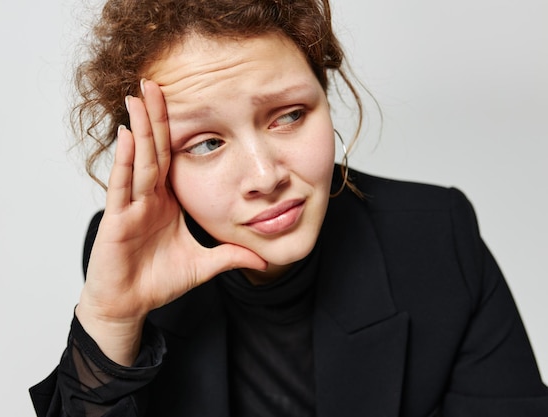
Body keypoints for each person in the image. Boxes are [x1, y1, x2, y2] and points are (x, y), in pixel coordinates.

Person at [30, 0, 548, 416]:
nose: (265, 177)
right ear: (155, 162)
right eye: (207, 143)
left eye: (289, 115)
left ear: (325, 97)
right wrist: (110, 321)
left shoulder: (436, 236)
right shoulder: (129, 258)